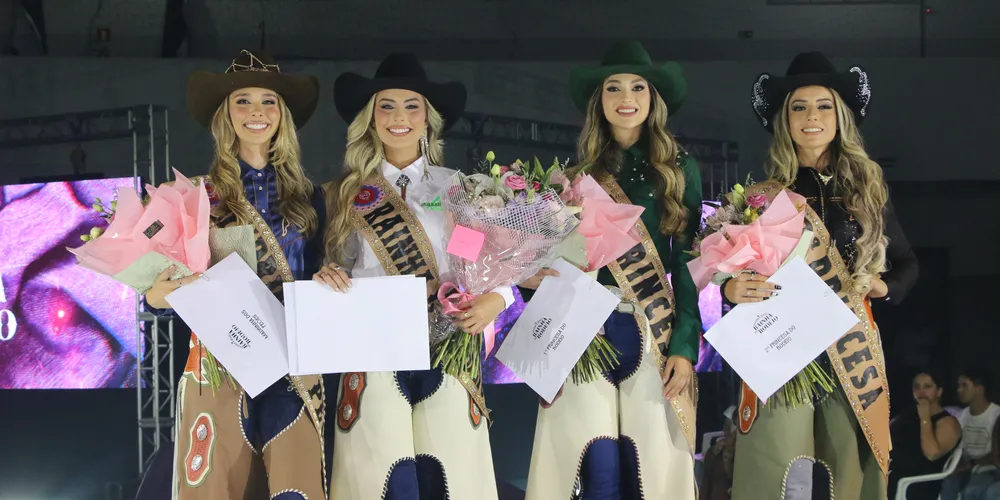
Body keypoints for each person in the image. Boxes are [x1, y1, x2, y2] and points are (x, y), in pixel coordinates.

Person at [315, 52, 515, 499]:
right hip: (374, 345)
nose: (399, 117)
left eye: (412, 105)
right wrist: (325, 276)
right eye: (386, 105)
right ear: (370, 117)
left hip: (448, 343)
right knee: (385, 481)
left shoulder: (461, 188)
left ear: (429, 117)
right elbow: (337, 271)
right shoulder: (343, 194)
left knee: (446, 478)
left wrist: (497, 300)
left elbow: (492, 267)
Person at [728, 51, 919, 499]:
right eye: (799, 107)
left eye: (823, 106)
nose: (811, 117)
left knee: (846, 472)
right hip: (781, 346)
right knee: (782, 475)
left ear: (840, 116)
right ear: (784, 119)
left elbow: (909, 264)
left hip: (849, 349)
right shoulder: (760, 196)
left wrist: (884, 287)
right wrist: (731, 288)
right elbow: (732, 274)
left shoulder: (867, 188)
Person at [519, 40, 701, 499]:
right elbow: (554, 261)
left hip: (651, 328)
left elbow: (688, 263)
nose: (626, 97)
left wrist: (684, 345)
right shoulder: (577, 176)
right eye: (613, 87)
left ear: (652, 98)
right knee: (596, 469)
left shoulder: (680, 169)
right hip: (586, 331)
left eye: (638, 87)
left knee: (647, 471)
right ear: (598, 101)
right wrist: (529, 280)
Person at [143, 49, 328, 499]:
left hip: (293, 364)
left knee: (294, 490)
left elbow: (323, 273)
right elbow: (155, 294)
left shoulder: (311, 197)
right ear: (225, 114)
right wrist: (162, 294)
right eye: (243, 100)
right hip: (219, 361)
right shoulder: (193, 198)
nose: (257, 112)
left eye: (268, 101)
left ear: (282, 114)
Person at [888, 370, 962, 500]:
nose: (921, 392)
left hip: (919, 482)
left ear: (939, 391)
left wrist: (925, 418)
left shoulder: (947, 422)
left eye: (927, 387)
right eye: (917, 387)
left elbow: (932, 454)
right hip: (893, 472)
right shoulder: (906, 417)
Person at [941, 368, 1000, 499]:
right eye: (958, 386)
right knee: (949, 481)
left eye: (964, 386)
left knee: (973, 490)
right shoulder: (962, 416)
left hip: (988, 469)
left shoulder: (996, 414)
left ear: (979, 389)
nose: (959, 390)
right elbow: (958, 449)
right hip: (970, 469)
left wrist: (971, 463)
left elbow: (996, 455)